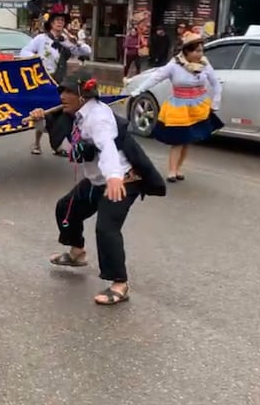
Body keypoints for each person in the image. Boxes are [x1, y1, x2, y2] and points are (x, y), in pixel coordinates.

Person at [29, 71, 165, 305]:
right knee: (66, 209)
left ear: (83, 95)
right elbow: (58, 129)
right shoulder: (75, 113)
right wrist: (40, 118)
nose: (62, 95)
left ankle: (120, 284)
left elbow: (107, 147)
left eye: (69, 91)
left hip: (122, 180)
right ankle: (77, 253)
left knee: (106, 229)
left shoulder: (99, 118)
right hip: (97, 180)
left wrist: (113, 177)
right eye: (61, 90)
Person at [129, 32, 223, 182]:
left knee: (187, 141)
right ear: (187, 51)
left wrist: (215, 102)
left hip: (197, 106)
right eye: (197, 51)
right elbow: (156, 77)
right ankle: (172, 171)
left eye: (201, 50)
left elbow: (216, 84)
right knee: (178, 141)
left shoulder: (204, 65)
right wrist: (138, 90)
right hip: (179, 107)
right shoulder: (174, 66)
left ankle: (178, 169)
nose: (200, 54)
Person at [18, 11, 91, 156]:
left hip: (59, 82)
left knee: (60, 113)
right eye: (57, 20)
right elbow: (24, 52)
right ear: (51, 23)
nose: (60, 23)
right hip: (43, 81)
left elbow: (86, 51)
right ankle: (37, 143)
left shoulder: (65, 42)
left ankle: (56, 144)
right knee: (41, 112)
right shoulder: (41, 39)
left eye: (62, 21)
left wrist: (75, 41)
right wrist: (36, 59)